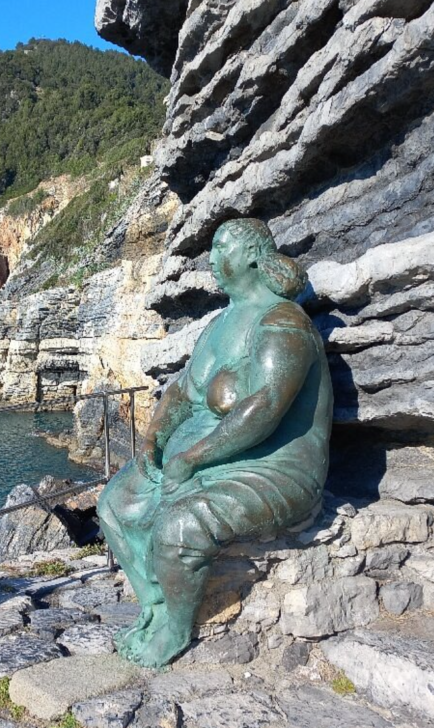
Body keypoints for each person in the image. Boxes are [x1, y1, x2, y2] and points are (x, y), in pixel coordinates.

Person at [98, 217, 333, 668]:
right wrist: (154, 442)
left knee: (181, 526)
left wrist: (190, 458)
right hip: (207, 458)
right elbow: (183, 391)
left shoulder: (283, 321)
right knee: (114, 501)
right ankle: (155, 604)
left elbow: (264, 405)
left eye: (221, 246)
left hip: (274, 468)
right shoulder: (220, 324)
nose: (212, 256)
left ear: (250, 255)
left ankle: (175, 630)